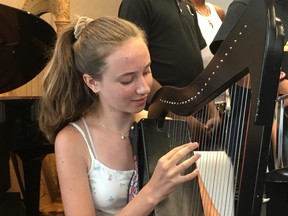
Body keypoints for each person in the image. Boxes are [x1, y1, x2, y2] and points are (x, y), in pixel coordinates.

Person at [38, 16, 218, 216]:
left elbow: (207, 210)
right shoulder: (73, 141)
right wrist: (153, 191)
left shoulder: (164, 128)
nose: (144, 88)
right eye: (127, 79)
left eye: (147, 71)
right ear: (92, 82)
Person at [118, 0, 221, 148]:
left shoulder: (186, 4)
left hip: (196, 115)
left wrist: (213, 111)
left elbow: (196, 65)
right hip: (160, 118)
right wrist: (175, 113)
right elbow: (134, 68)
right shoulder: (138, 3)